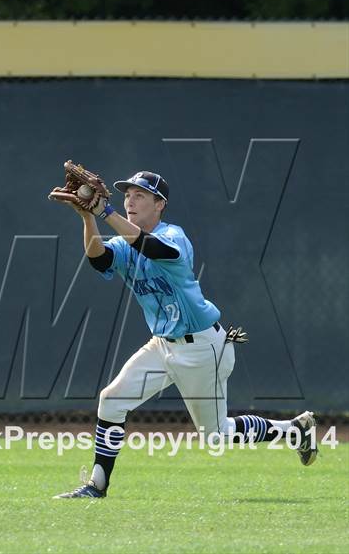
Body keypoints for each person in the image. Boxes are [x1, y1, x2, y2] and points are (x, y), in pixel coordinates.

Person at [51, 170, 317, 499]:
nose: (130, 200)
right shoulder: (122, 242)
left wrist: (105, 212)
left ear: (160, 204)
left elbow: (151, 248)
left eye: (140, 196)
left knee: (216, 436)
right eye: (128, 195)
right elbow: (98, 258)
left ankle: (294, 431)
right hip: (162, 345)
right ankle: (97, 486)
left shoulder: (173, 236)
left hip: (203, 347)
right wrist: (88, 218)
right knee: (112, 400)